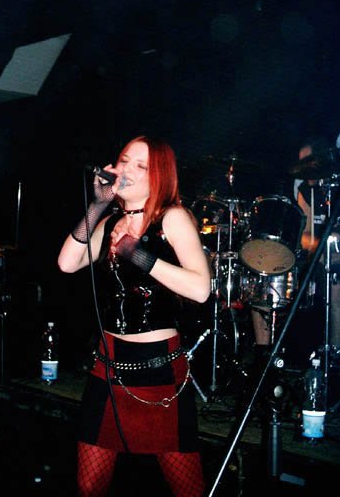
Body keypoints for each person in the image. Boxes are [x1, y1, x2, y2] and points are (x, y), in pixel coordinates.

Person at [58, 135, 212, 497]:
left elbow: (200, 289)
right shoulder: (109, 220)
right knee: (89, 485)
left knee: (186, 488)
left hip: (159, 369)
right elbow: (67, 263)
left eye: (140, 165)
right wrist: (97, 205)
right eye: (124, 160)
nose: (127, 169)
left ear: (159, 177)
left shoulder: (172, 218)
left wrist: (138, 255)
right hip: (109, 365)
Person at [294, 125, 340, 353]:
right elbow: (304, 233)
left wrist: (336, 257)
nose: (304, 169)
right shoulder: (305, 190)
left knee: (335, 287)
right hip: (320, 258)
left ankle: (334, 354)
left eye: (309, 162)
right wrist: (317, 250)